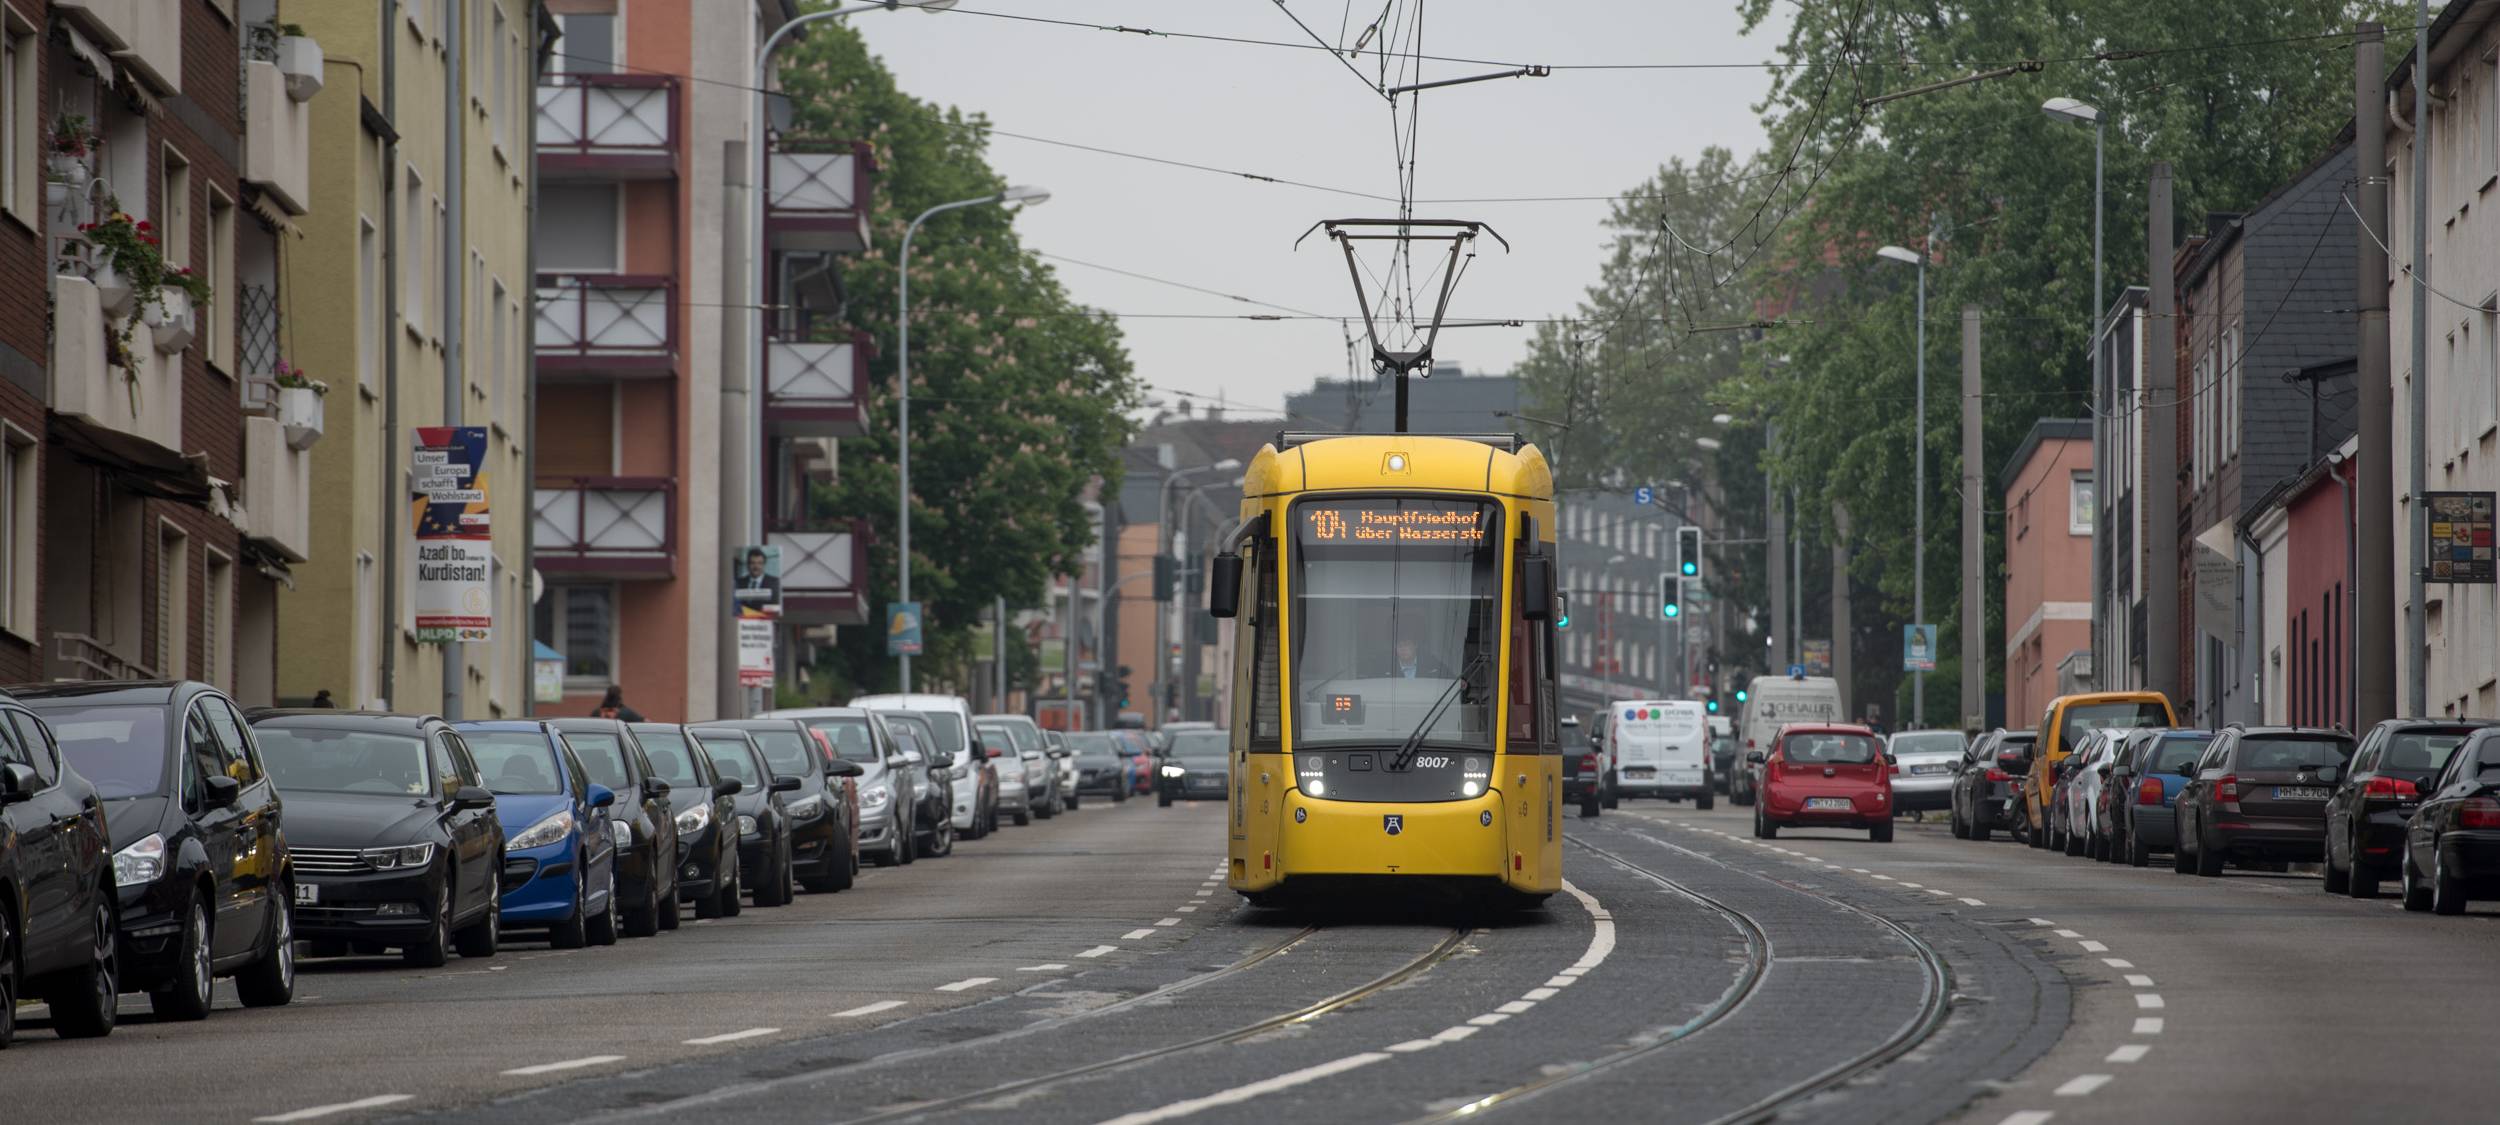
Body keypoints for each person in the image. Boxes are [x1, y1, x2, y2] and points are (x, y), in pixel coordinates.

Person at [732, 547, 781, 611]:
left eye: (759, 563)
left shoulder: (775, 583)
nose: (756, 566)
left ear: (764, 565)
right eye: (752, 563)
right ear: (747, 565)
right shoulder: (738, 582)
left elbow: (776, 607)